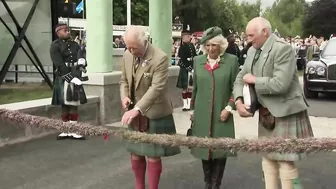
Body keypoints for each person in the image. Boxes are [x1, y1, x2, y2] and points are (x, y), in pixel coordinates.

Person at [233, 17, 314, 189]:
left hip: (286, 111)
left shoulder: (282, 49)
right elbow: (240, 77)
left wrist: (254, 80)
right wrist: (239, 101)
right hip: (266, 112)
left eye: (250, 35)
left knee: (285, 161)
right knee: (268, 157)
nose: (248, 40)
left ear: (264, 32)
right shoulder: (253, 50)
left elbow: (280, 84)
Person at [120, 26, 181, 189]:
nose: (131, 51)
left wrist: (137, 109)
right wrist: (125, 96)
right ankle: (139, 186)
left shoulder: (160, 58)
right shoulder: (127, 55)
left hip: (155, 112)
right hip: (134, 112)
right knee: (136, 152)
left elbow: (157, 88)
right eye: (128, 47)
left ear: (145, 42)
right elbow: (123, 80)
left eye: (134, 47)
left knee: (153, 154)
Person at [190, 26, 239, 189]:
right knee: (204, 149)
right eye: (208, 45)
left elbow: (236, 88)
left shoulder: (231, 61)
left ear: (221, 46)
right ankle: (207, 182)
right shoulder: (198, 61)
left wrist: (229, 108)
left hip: (222, 112)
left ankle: (216, 184)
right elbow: (195, 89)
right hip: (202, 113)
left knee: (219, 150)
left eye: (214, 45)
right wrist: (193, 111)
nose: (210, 49)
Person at [50, 23, 88, 140]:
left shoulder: (75, 45)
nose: (67, 32)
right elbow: (59, 63)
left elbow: (80, 57)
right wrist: (70, 77)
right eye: (64, 30)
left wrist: (83, 63)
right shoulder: (55, 46)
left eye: (68, 30)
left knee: (73, 103)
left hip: (75, 73)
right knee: (64, 104)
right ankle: (65, 130)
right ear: (58, 33)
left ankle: (74, 130)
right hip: (63, 76)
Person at [176, 25, 197, 111]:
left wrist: (193, 66)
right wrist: (187, 66)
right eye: (187, 36)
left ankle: (189, 104)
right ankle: (185, 105)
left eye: (189, 36)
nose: (189, 37)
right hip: (184, 68)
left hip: (191, 68)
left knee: (190, 87)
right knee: (185, 87)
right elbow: (182, 58)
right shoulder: (182, 47)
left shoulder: (192, 46)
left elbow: (195, 56)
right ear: (183, 37)